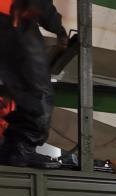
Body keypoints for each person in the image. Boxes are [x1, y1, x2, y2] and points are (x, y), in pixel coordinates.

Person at [0, 0, 67, 168]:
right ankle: (20, 149)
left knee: (17, 88)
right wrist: (58, 28)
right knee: (37, 91)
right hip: (12, 18)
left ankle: (11, 149)